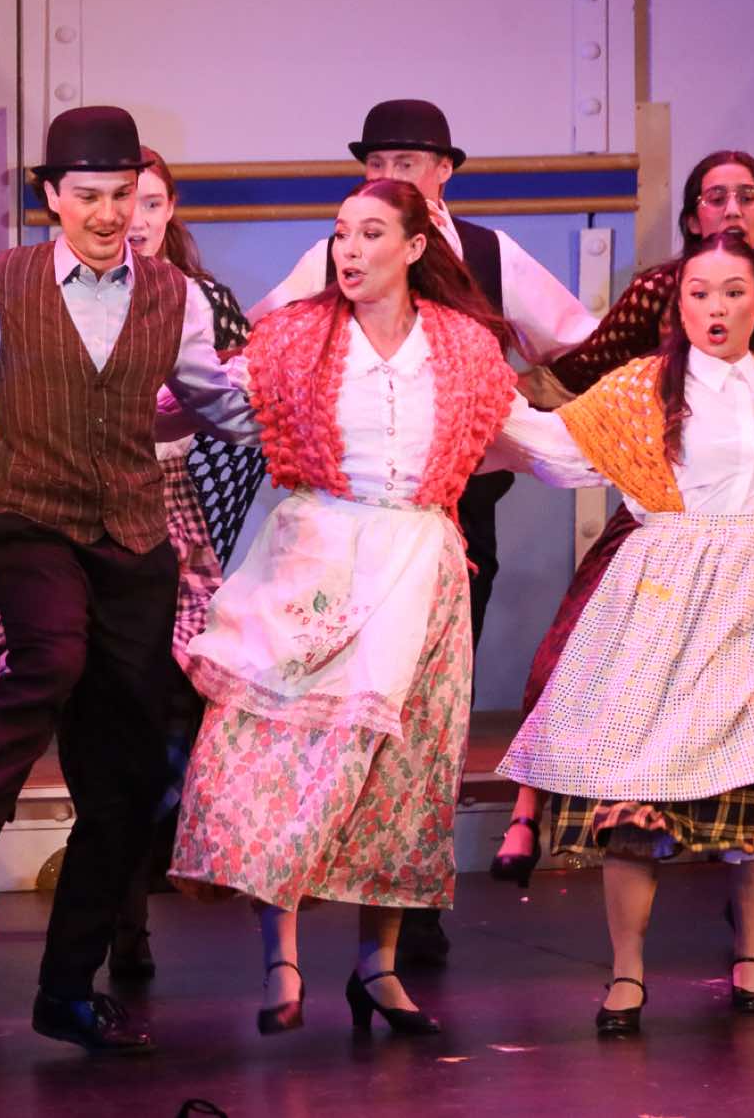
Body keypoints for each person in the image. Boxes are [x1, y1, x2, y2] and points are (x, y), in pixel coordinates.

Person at [0, 106, 257, 1055]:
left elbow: (214, 398)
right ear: (51, 198)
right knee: (50, 655)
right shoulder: (4, 281)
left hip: (135, 534)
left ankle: (67, 989)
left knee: (124, 775)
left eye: (122, 195)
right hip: (34, 516)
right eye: (88, 196)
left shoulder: (177, 296)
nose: (109, 215)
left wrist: (304, 428)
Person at [168, 177, 520, 1038]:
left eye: (369, 233)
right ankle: (282, 960)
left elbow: (529, 433)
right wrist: (146, 371)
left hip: (421, 568)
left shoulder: (463, 348)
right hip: (318, 557)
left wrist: (641, 450)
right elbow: (219, 399)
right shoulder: (297, 336)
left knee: (403, 772)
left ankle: (378, 966)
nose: (350, 250)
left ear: (414, 246)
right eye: (339, 233)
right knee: (285, 750)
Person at [249, 97, 596, 965]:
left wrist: (538, 408)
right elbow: (265, 335)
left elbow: (577, 340)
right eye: (379, 162)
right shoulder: (340, 248)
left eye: (409, 162)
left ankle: (408, 907)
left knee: (428, 707)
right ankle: (307, 885)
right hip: (347, 517)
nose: (392, 175)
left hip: (451, 502)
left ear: (444, 172)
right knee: (331, 701)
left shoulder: (486, 251)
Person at [492, 231, 754, 1035]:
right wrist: (481, 393)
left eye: (734, 291)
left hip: (751, 596)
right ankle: (627, 972)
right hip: (667, 594)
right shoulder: (645, 386)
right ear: (678, 304)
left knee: (750, 785)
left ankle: (752, 955)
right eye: (700, 292)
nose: (716, 307)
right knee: (634, 782)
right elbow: (555, 444)